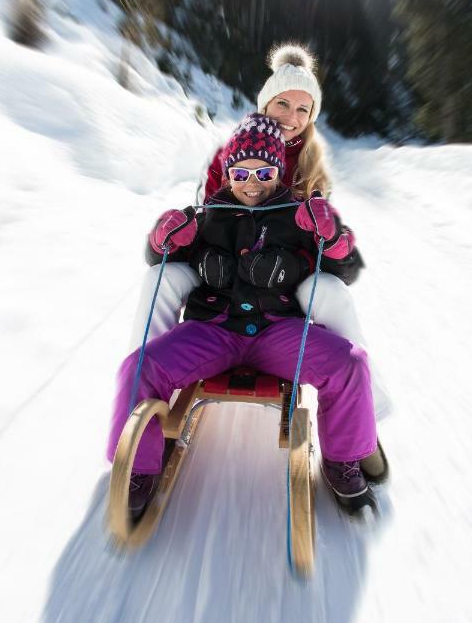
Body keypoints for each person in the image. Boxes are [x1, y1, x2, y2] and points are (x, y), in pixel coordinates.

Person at [107, 114, 387, 519]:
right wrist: (161, 240)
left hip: (277, 334)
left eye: (263, 171)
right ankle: (139, 465)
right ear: (228, 172)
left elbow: (342, 270)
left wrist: (334, 238)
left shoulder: (296, 217)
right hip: (213, 332)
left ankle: (343, 459)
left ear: (278, 171)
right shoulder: (208, 216)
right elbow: (165, 258)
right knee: (139, 366)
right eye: (240, 172)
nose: (251, 181)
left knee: (349, 364)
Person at [128, 44, 391, 418]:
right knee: (161, 276)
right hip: (226, 272)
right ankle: (146, 399)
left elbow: (338, 260)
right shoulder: (235, 151)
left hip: (283, 279)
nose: (292, 117)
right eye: (283, 104)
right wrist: (181, 244)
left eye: (304, 109)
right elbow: (211, 222)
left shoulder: (312, 168)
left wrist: (313, 249)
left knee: (331, 291)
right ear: (265, 103)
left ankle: (364, 409)